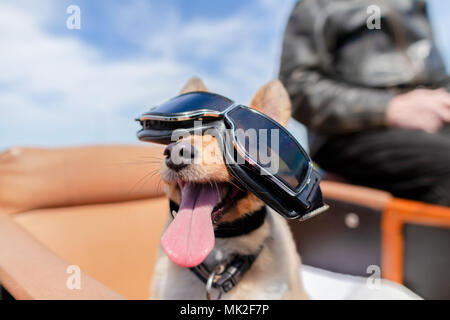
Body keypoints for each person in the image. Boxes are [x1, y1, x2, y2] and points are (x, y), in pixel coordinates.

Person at [279, 0, 450, 206]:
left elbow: (437, 76)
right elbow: (297, 87)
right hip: (353, 134)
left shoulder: (414, 4)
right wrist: (389, 108)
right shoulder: (317, 4)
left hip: (429, 125)